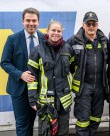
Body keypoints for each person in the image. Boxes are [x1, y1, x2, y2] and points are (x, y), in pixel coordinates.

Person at [0, 7, 43, 136]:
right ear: (22, 21)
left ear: (38, 22)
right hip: (19, 89)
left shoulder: (44, 39)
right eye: (28, 20)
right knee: (22, 123)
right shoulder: (12, 39)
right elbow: (4, 62)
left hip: (38, 90)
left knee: (31, 122)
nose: (31, 23)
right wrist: (21, 74)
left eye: (34, 20)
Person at [27, 20, 73, 136]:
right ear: (47, 31)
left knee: (63, 133)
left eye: (59, 31)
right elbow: (32, 77)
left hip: (64, 101)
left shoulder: (68, 49)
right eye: (53, 30)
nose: (56, 33)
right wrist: (32, 98)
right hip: (46, 102)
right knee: (46, 133)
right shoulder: (37, 50)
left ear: (62, 32)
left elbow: (74, 70)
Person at [67, 11, 108, 136]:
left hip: (100, 87)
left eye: (93, 24)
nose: (91, 26)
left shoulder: (104, 40)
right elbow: (65, 62)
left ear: (97, 25)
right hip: (83, 86)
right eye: (88, 24)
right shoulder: (74, 41)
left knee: (96, 118)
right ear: (83, 25)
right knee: (83, 120)